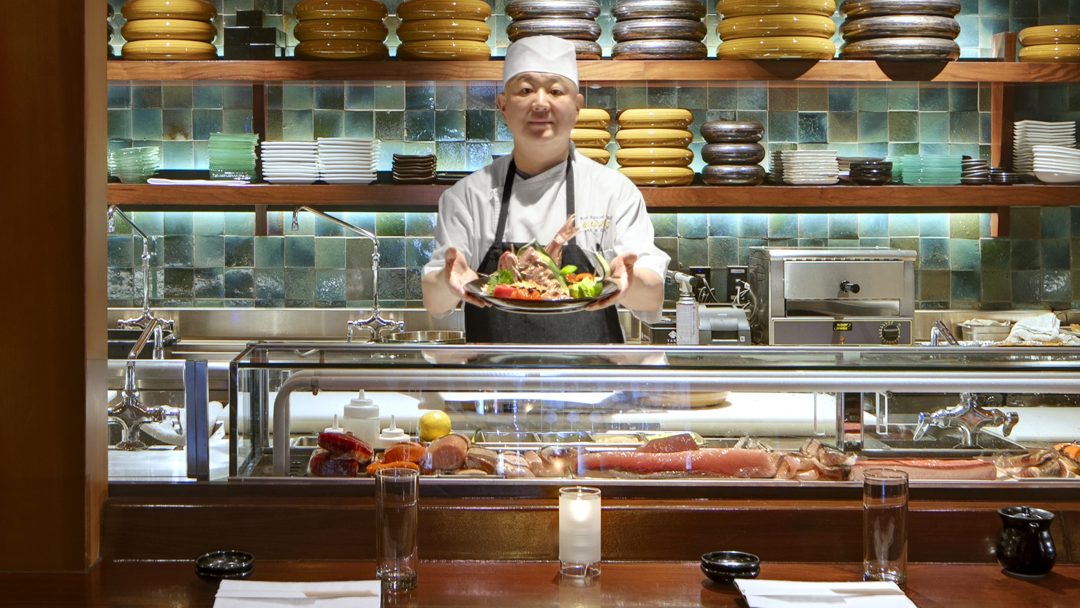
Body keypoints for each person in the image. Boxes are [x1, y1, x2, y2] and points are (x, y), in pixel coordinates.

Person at [421, 35, 669, 344]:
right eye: (525, 90)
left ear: (577, 107)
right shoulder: (466, 196)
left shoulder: (613, 191)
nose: (540, 102)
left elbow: (651, 297)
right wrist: (448, 279)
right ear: (502, 106)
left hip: (593, 385)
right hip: (494, 384)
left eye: (555, 90)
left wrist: (629, 282)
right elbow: (435, 302)